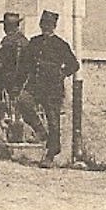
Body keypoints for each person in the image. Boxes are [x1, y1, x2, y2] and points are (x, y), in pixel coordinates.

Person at [17, 9, 80, 168]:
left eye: (49, 24)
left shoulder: (61, 45)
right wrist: (19, 82)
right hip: (35, 84)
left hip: (52, 88)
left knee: (53, 121)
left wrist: (61, 74)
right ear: (40, 24)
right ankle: (39, 130)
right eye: (44, 24)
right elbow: (25, 64)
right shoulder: (34, 42)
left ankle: (51, 154)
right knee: (23, 101)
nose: (46, 27)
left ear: (54, 26)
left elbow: (74, 65)